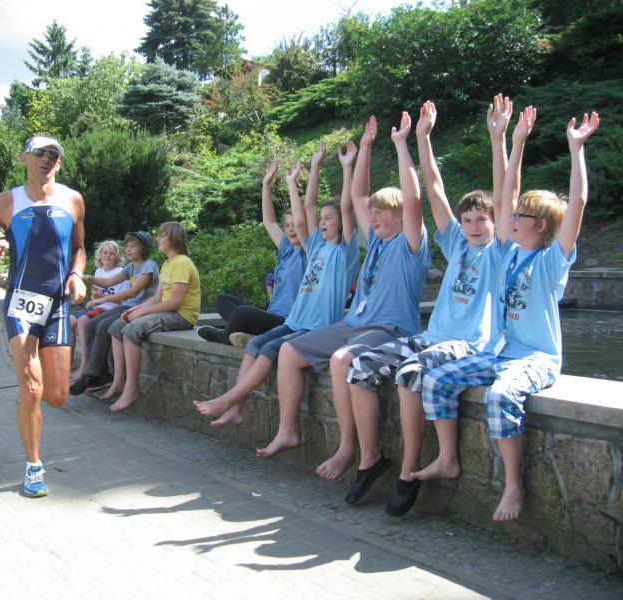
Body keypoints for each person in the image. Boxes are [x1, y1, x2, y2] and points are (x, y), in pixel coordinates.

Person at [414, 107, 601, 522]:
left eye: (520, 216)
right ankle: (447, 458)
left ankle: (513, 485)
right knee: (437, 381)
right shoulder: (504, 254)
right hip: (500, 354)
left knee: (500, 396)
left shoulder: (552, 261)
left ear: (543, 226)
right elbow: (505, 192)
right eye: (512, 215)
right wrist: (509, 141)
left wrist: (576, 150)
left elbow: (577, 203)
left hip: (536, 358)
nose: (510, 217)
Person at [339, 96, 509, 516]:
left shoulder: (502, 252)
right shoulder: (455, 244)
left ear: (496, 222)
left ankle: (409, 470)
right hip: (432, 336)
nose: (473, 226)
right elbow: (433, 189)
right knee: (358, 367)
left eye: (482, 220)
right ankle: (370, 459)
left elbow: (506, 193)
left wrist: (500, 138)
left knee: (410, 374)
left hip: (469, 344)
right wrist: (420, 138)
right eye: (467, 220)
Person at [255, 114, 431, 467]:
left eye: (381, 212)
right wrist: (364, 147)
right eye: (373, 213)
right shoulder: (376, 241)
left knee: (341, 360)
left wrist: (402, 144)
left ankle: (348, 448)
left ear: (400, 216)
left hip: (390, 328)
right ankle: (288, 431)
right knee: (288, 351)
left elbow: (413, 199)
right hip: (355, 324)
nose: (373, 217)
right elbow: (358, 195)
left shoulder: (411, 243)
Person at [194, 141, 360, 427]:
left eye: (328, 219)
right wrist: (303, 175)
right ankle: (236, 408)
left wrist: (347, 168)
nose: (322, 222)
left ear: (343, 223)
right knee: (256, 345)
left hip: (316, 326)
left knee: (271, 349)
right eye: (321, 219)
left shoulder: (344, 251)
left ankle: (228, 400)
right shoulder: (316, 247)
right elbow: (306, 209)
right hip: (296, 321)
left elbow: (347, 207)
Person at [0, 134, 87, 498]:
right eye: (39, 153)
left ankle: (27, 402)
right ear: (24, 159)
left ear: (59, 164)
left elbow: (80, 248)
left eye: (53, 154)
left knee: (57, 395)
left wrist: (77, 274)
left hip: (58, 304)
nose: (46, 159)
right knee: (32, 386)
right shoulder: (8, 201)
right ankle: (34, 466)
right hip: (22, 302)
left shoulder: (73, 199)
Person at [196, 160, 307, 347]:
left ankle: (225, 336)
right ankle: (243, 334)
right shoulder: (286, 250)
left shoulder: (307, 252)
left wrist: (291, 185)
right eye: (287, 225)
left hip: (285, 322)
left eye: (294, 225)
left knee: (242, 313)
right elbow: (269, 222)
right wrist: (266, 185)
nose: (290, 229)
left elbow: (301, 224)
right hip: (270, 315)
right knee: (222, 299)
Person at [102, 221, 201, 412]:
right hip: (168, 312)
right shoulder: (167, 264)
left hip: (181, 316)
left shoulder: (182, 263)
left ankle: (131, 389)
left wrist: (142, 312)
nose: (157, 239)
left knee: (131, 330)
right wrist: (135, 309)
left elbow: (175, 302)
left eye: (162, 235)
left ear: (173, 238)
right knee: (117, 326)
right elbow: (157, 298)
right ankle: (118, 382)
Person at [69, 231, 159, 395]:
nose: (128, 249)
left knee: (104, 325)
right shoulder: (131, 267)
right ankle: (100, 373)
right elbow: (108, 282)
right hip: (129, 306)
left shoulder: (148, 265)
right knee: (90, 325)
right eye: (127, 246)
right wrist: (89, 278)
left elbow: (133, 291)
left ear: (144, 248)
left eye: (133, 246)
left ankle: (92, 375)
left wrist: (103, 299)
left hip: (143, 308)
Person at [69, 240, 129, 376]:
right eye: (105, 253)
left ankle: (85, 363)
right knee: (69, 321)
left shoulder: (121, 272)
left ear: (118, 257)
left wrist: (102, 296)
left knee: (82, 321)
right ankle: (70, 361)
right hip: (100, 306)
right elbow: (96, 298)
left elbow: (124, 300)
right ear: (100, 255)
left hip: (111, 308)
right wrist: (95, 297)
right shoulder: (98, 272)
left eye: (112, 253)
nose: (108, 256)